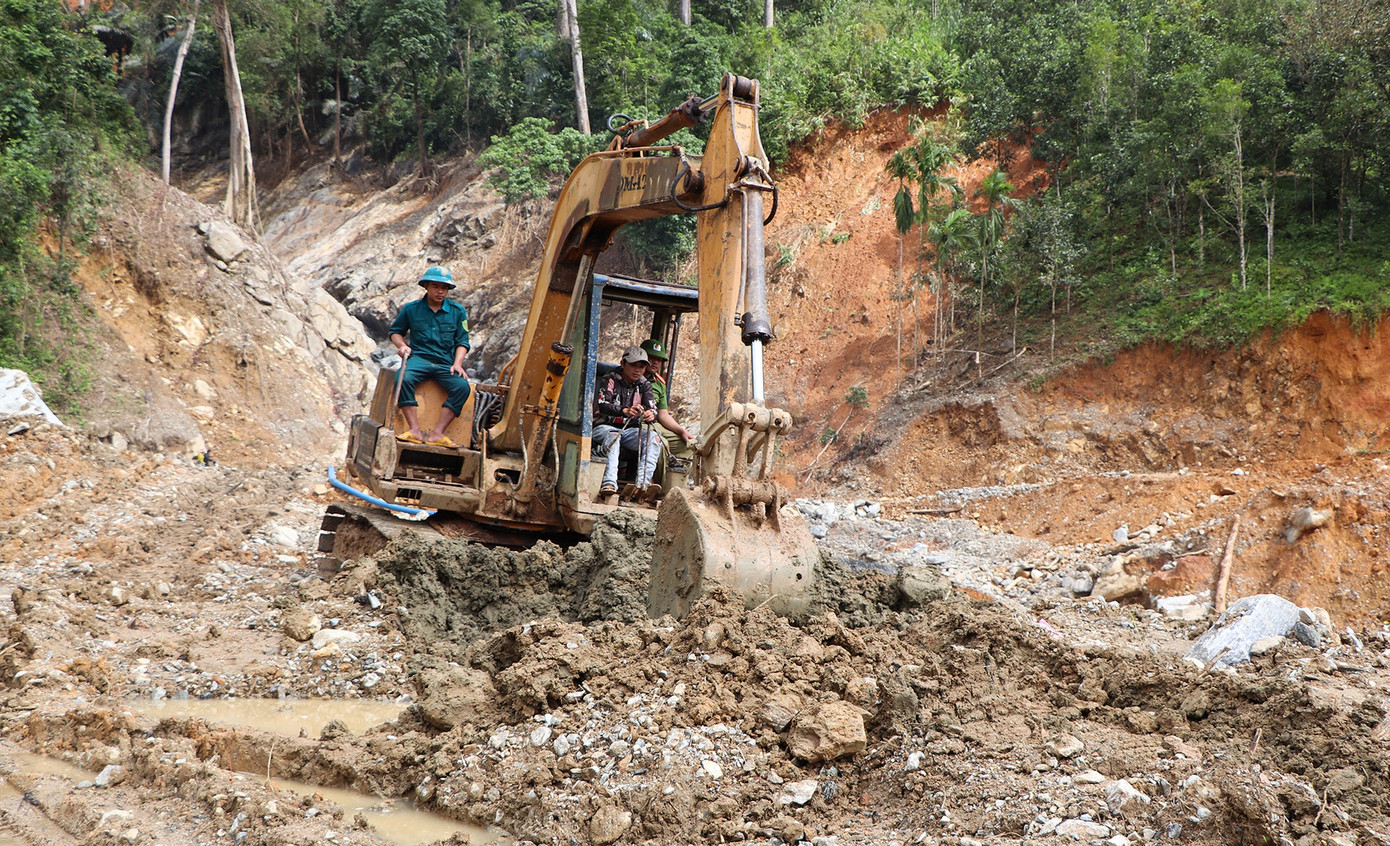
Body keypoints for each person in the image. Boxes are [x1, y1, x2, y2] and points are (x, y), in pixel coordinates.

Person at [388, 266, 471, 447]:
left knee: (463, 387)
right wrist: (402, 346)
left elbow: (462, 342)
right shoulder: (411, 309)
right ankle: (414, 430)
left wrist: (458, 363)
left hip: (445, 363)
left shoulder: (457, 312)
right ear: (426, 286)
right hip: (420, 359)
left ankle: (437, 434)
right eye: (435, 286)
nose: (440, 291)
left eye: (444, 288)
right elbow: (395, 332)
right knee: (403, 378)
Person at [592, 345, 664, 496]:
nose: (637, 370)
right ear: (623, 363)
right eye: (633, 365)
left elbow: (652, 407)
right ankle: (610, 483)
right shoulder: (609, 379)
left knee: (655, 438)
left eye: (642, 367)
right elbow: (603, 405)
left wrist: (651, 414)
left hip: (629, 431)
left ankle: (643, 484)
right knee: (614, 436)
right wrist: (625, 410)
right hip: (603, 427)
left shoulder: (645, 384)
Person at [639, 338, 696, 462]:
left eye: (659, 360)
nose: (655, 362)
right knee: (661, 444)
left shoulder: (660, 383)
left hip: (656, 424)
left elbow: (663, 414)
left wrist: (682, 432)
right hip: (638, 424)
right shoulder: (631, 376)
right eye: (652, 357)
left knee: (688, 446)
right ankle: (653, 481)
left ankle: (675, 481)